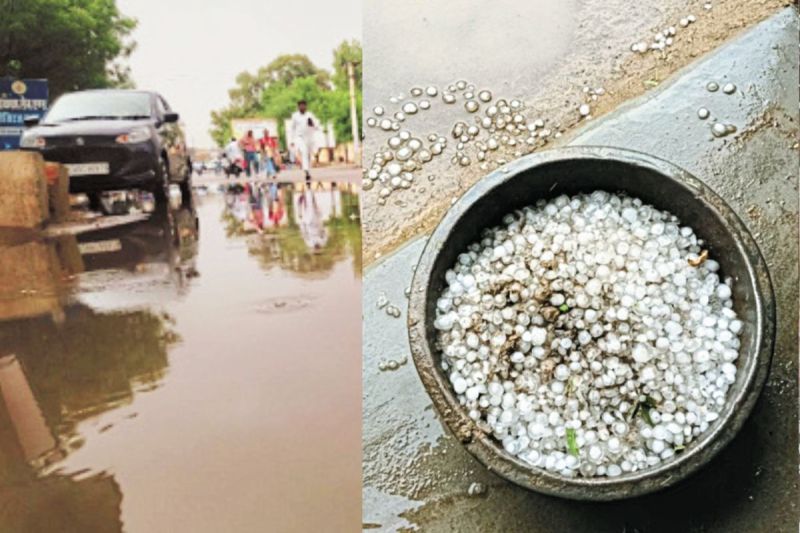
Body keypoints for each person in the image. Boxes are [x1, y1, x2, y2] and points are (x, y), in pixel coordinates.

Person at [289, 100, 319, 182]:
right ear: (298, 107)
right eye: (300, 106)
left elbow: (316, 126)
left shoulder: (310, 115)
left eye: (303, 105)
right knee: (304, 152)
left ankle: (308, 169)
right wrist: (291, 140)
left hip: (309, 138)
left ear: (306, 106)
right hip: (300, 138)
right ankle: (306, 173)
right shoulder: (295, 116)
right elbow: (292, 128)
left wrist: (312, 123)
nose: (302, 107)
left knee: (309, 154)